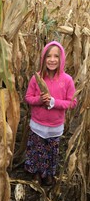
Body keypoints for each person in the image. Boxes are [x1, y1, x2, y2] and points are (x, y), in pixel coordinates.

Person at [24, 41, 77, 186]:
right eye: (48, 56)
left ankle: (48, 174)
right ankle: (36, 173)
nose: (52, 60)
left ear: (62, 59)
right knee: (37, 149)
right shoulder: (37, 78)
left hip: (55, 126)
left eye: (56, 56)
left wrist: (54, 102)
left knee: (51, 151)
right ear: (43, 58)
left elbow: (72, 102)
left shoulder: (67, 80)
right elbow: (28, 98)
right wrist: (40, 100)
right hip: (38, 124)